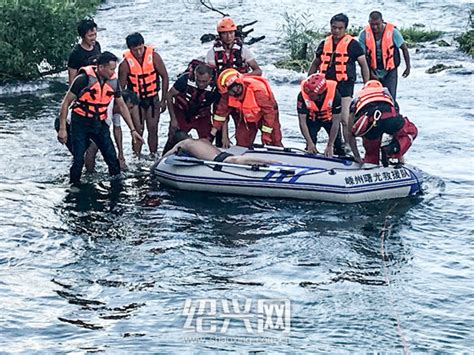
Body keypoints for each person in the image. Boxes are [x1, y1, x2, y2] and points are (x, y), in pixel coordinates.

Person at [57, 52, 143, 185]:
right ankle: (74, 186)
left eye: (114, 69)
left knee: (111, 157)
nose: (113, 72)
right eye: (111, 69)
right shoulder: (83, 79)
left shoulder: (113, 83)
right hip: (80, 121)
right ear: (101, 67)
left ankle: (117, 187)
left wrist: (133, 130)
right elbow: (66, 102)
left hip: (99, 123)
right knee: (79, 158)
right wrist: (63, 129)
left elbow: (122, 106)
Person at [308, 13, 370, 152]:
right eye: (334, 27)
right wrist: (308, 81)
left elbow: (363, 65)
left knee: (344, 118)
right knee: (325, 117)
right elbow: (316, 62)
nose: (336, 31)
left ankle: (348, 144)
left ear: (345, 28)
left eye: (340, 28)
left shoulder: (353, 44)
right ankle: (334, 144)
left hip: (344, 86)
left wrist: (367, 85)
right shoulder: (324, 43)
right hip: (325, 87)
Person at [206, 16, 263, 148]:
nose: (228, 36)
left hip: (240, 94)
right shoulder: (211, 53)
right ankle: (221, 148)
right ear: (220, 35)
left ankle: (243, 150)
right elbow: (209, 74)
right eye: (225, 34)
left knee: (244, 129)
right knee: (219, 125)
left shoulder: (243, 50)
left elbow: (257, 71)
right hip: (222, 93)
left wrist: (239, 79)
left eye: (231, 33)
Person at [119, 32, 169, 157]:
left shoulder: (154, 57)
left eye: (141, 48)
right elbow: (121, 89)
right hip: (136, 102)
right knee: (138, 129)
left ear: (143, 45)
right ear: (130, 49)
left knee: (153, 128)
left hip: (152, 98)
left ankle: (153, 155)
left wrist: (163, 100)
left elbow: (165, 77)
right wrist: (124, 107)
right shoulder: (125, 65)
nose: (139, 52)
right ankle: (137, 156)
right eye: (135, 50)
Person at [348, 80, 417, 166]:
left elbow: (350, 132)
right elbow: (398, 128)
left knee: (371, 153)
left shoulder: (357, 98)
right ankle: (390, 150)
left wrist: (357, 156)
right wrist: (399, 157)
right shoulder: (386, 95)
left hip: (369, 123)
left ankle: (370, 164)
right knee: (411, 131)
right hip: (389, 118)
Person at [211, 68, 283, 148]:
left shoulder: (258, 91)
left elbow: (269, 113)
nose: (231, 94)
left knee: (274, 141)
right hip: (247, 118)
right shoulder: (227, 94)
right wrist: (213, 132)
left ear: (239, 84)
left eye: (233, 90)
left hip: (266, 116)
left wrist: (266, 134)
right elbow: (221, 113)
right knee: (242, 142)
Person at [162, 62, 220, 154]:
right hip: (183, 113)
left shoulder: (216, 87)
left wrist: (224, 136)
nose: (201, 84)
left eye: (204, 81)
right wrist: (173, 119)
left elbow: (221, 111)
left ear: (211, 78)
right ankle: (165, 156)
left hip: (202, 115)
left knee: (207, 140)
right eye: (198, 80)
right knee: (174, 136)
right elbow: (169, 95)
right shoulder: (185, 79)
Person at [358, 11, 411, 99]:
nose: (375, 27)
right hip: (372, 69)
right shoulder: (363, 34)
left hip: (390, 70)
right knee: (373, 96)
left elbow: (404, 49)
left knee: (390, 96)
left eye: (377, 24)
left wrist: (408, 67)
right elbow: (362, 58)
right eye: (372, 24)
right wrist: (371, 73)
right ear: (369, 22)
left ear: (382, 21)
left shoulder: (393, 32)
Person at [84, 90, 141, 171]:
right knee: (93, 147)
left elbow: (117, 130)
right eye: (130, 108)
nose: (131, 112)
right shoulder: (107, 109)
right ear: (121, 104)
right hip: (74, 124)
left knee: (99, 148)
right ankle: (89, 174)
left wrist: (120, 153)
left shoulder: (116, 110)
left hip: (91, 125)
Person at [160, 131, 276, 165]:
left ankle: (272, 163)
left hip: (218, 160)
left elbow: (166, 156)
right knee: (242, 160)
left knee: (240, 161)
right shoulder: (202, 140)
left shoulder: (184, 144)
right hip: (222, 154)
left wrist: (154, 167)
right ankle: (273, 162)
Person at [297, 73, 345, 157]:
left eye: (311, 94)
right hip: (312, 119)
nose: (308, 95)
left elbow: (336, 122)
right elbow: (302, 122)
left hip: (329, 120)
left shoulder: (335, 95)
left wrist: (330, 145)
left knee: (338, 145)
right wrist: (309, 142)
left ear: (320, 94)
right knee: (310, 146)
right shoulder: (302, 96)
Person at [67, 18, 101, 85]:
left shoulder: (97, 46)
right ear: (82, 36)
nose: (94, 38)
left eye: (95, 34)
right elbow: (72, 79)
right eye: (90, 36)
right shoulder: (76, 53)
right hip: (84, 89)